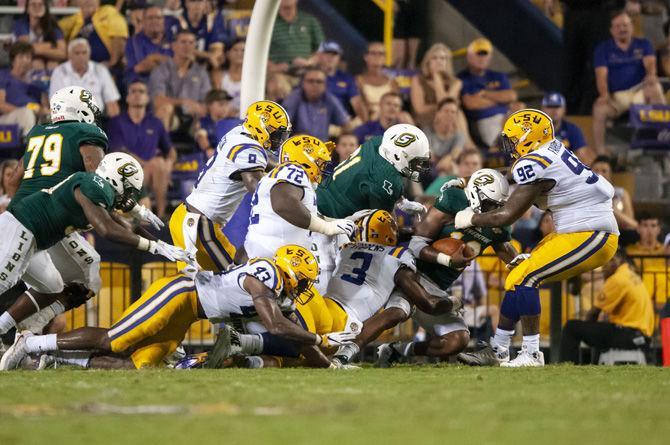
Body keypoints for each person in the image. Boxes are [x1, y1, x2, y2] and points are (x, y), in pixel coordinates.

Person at [0, 245, 354, 370]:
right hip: (180, 294)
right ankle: (30, 343)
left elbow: (294, 332)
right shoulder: (265, 275)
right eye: (302, 281)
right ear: (290, 272)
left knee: (140, 366)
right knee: (114, 341)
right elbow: (278, 328)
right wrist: (321, 341)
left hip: (191, 311)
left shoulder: (277, 284)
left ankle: (56, 356)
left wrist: (330, 364)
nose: (304, 289)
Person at [455, 109, 619, 367]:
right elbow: (512, 177)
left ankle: (531, 353)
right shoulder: (549, 151)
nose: (509, 146)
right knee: (519, 272)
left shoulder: (536, 164)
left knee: (529, 276)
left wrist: (469, 219)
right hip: (576, 230)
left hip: (593, 232)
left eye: (513, 139)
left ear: (527, 138)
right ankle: (498, 349)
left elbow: (506, 216)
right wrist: (470, 179)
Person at [0, 86, 162, 339]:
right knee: (84, 278)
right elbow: (99, 181)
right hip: (52, 214)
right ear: (80, 109)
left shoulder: (38, 132)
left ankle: (28, 329)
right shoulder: (87, 132)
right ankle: (30, 328)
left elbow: (13, 179)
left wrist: (21, 206)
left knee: (63, 281)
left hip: (29, 214)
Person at [227, 210, 461, 368]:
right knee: (304, 357)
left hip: (317, 300)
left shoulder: (348, 247)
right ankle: (244, 344)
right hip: (340, 322)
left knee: (288, 341)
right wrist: (454, 301)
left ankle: (239, 342)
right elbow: (428, 303)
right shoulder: (398, 255)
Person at [0, 153, 191, 344]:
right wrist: (152, 246)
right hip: (21, 227)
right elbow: (107, 229)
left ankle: (2, 327)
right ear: (117, 179)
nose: (129, 196)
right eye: (129, 188)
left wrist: (161, 244)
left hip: (36, 241)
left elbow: (128, 225)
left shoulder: (99, 191)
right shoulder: (94, 185)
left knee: (52, 286)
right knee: (3, 281)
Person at [372, 169, 519, 367]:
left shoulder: (498, 224)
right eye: (490, 203)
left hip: (437, 288)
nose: (494, 209)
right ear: (475, 194)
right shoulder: (455, 198)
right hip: (412, 274)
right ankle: (344, 353)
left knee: (457, 340)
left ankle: (397, 350)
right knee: (394, 314)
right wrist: (448, 260)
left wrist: (528, 267)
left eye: (498, 205)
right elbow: (416, 246)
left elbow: (507, 251)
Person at [169, 100, 291, 273]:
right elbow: (255, 185)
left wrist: (283, 168)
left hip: (193, 218)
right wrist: (289, 198)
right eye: (275, 134)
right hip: (199, 225)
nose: (278, 140)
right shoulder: (248, 147)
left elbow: (260, 160)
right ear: (260, 128)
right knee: (233, 280)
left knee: (217, 283)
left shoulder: (240, 132)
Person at [559, 249, 654, 364]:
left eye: (604, 264)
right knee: (601, 330)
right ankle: (595, 364)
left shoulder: (616, 279)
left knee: (572, 327)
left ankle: (567, 367)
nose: (602, 269)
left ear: (615, 261)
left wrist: (585, 328)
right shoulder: (629, 274)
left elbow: (594, 313)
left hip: (630, 335)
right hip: (641, 336)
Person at [317, 123, 431, 219]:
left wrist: (401, 201)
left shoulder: (378, 142)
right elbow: (385, 226)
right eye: (415, 162)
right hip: (328, 216)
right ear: (397, 156)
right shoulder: (386, 179)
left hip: (322, 193)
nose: (419, 167)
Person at [592, 10, 665, 154]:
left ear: (632, 27)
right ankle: (601, 153)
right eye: (618, 26)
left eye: (625, 25)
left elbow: (650, 64)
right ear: (611, 30)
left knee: (655, 87)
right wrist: (604, 95)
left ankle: (662, 140)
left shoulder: (643, 44)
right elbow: (601, 75)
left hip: (641, 91)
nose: (622, 29)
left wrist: (651, 75)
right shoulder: (603, 49)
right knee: (599, 109)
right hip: (618, 96)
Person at [107, 80, 176, 220]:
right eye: (133, 91)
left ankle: (161, 215)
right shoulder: (116, 121)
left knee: (160, 164)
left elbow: (171, 150)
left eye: (141, 91)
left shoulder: (155, 122)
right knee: (157, 163)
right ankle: (160, 216)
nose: (137, 95)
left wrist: (169, 163)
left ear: (147, 97)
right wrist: (148, 164)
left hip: (153, 174)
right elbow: (120, 152)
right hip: (126, 173)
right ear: (127, 98)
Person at [458, 38, 518, 147]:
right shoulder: (463, 78)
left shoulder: (498, 75)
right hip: (485, 120)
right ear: (469, 56)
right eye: (478, 54)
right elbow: (471, 103)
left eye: (485, 54)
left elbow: (511, 96)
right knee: (505, 145)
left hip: (507, 115)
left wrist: (484, 94)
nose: (482, 58)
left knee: (520, 109)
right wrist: (501, 101)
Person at [149, 30, 211, 132]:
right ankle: (164, 146)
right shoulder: (161, 70)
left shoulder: (201, 72)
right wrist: (184, 102)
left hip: (194, 118)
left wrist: (199, 107)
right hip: (172, 118)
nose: (187, 46)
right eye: (183, 42)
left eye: (191, 43)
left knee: (210, 112)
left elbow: (207, 100)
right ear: (173, 46)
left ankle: (206, 147)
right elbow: (157, 101)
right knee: (166, 109)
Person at [49, 38, 121, 118]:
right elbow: (56, 103)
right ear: (69, 55)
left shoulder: (100, 70)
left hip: (96, 120)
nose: (81, 56)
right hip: (70, 120)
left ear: (89, 54)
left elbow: (112, 103)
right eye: (77, 53)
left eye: (84, 53)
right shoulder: (60, 72)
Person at [282, 67, 351, 141]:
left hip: (321, 147)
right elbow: (283, 125)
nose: (315, 85)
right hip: (296, 145)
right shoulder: (293, 98)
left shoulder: (329, 99)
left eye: (319, 82)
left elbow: (347, 125)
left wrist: (336, 134)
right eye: (310, 81)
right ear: (303, 83)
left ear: (325, 85)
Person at [58, 0, 129, 67]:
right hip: (77, 66)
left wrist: (112, 63)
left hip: (103, 65)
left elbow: (119, 36)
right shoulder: (75, 18)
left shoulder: (108, 11)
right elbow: (55, 31)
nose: (89, 0)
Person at [410, 43, 462, 129]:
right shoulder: (418, 80)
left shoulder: (456, 82)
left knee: (457, 115)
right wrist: (436, 75)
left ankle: (466, 142)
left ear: (447, 62)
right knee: (454, 115)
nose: (439, 61)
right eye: (434, 58)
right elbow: (420, 109)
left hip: (449, 120)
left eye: (443, 58)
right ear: (428, 62)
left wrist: (437, 79)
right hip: (424, 120)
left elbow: (447, 106)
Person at [626, 212, 668, 312]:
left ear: (658, 230)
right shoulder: (629, 252)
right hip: (638, 296)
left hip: (664, 297)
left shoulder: (666, 251)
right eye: (645, 225)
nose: (649, 230)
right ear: (638, 229)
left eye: (653, 226)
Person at [0, 42, 45, 136]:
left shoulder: (34, 83)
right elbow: (1, 105)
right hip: (7, 119)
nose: (25, 60)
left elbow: (37, 106)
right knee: (26, 114)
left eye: (28, 57)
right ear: (12, 60)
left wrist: (41, 110)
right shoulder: (3, 76)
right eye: (21, 57)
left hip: (32, 117)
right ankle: (29, 147)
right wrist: (23, 110)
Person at [315, 40, 367, 122]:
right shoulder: (311, 76)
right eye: (327, 53)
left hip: (342, 122)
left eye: (334, 54)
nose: (330, 57)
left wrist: (364, 124)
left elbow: (357, 103)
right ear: (319, 56)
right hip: (318, 119)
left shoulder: (346, 78)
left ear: (339, 58)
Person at [268, 0, 324, 73]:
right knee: (278, 83)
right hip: (279, 74)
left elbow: (322, 48)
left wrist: (309, 62)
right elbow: (256, 51)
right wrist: (275, 67)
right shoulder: (268, 23)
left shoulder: (309, 20)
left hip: (306, 73)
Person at [124, 5, 174, 85]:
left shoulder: (172, 40)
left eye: (158, 18)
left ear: (163, 21)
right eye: (150, 18)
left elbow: (179, 65)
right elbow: (140, 68)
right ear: (143, 21)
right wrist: (167, 63)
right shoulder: (133, 42)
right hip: (142, 84)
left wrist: (154, 57)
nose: (154, 21)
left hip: (169, 84)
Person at [540, 92, 593, 164]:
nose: (554, 110)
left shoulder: (572, 129)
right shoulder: (534, 130)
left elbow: (584, 158)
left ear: (564, 109)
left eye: (557, 106)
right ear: (542, 109)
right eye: (550, 106)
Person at [174, 0, 229, 69]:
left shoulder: (211, 20)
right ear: (186, 3)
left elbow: (217, 47)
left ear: (205, 3)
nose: (197, 4)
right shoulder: (177, 20)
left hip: (205, 63)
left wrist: (214, 56)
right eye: (193, 1)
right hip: (181, 62)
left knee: (219, 60)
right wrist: (208, 56)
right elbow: (181, 49)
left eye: (200, 1)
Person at [12, 0, 66, 69]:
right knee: (37, 63)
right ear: (27, 9)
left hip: (48, 60)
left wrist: (38, 49)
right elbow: (25, 50)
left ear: (45, 8)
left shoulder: (52, 24)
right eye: (33, 4)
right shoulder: (21, 24)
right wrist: (50, 46)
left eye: (40, 4)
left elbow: (62, 53)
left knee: (53, 64)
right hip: (23, 62)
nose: (37, 7)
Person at [424, 98, 472, 176]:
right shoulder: (427, 131)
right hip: (429, 169)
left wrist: (449, 158)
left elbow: (456, 152)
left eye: (453, 112)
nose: (449, 114)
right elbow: (429, 154)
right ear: (438, 113)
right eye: (446, 111)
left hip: (448, 169)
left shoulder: (459, 136)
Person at [356, 42, 400, 121]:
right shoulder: (358, 80)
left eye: (381, 53)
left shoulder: (392, 82)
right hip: (368, 118)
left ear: (385, 58)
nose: (377, 56)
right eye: (373, 53)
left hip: (390, 117)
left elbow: (397, 105)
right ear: (366, 57)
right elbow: (360, 106)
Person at [591, 155, 637, 230]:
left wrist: (611, 209)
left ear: (610, 174)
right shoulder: (584, 193)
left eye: (604, 171)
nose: (600, 174)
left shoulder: (621, 194)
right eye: (596, 170)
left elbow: (632, 224)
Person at [194, 89, 234, 159]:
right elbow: (202, 141)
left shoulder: (231, 123)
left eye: (227, 104)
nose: (225, 108)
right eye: (221, 104)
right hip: (205, 159)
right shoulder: (203, 122)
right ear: (209, 105)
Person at [213, 39, 244, 116]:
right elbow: (217, 100)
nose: (239, 53)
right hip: (224, 117)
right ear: (227, 54)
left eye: (243, 50)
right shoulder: (219, 75)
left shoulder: (253, 77)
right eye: (235, 50)